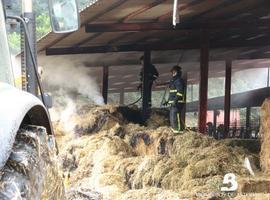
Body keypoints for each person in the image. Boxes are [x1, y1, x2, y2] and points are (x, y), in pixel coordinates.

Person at [164, 65, 186, 134]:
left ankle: (179, 132)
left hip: (177, 102)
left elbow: (180, 92)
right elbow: (172, 93)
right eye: (172, 72)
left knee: (175, 117)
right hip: (174, 102)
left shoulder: (178, 80)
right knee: (173, 117)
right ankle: (175, 131)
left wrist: (175, 101)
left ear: (177, 72)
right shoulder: (174, 80)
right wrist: (168, 101)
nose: (173, 73)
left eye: (174, 71)